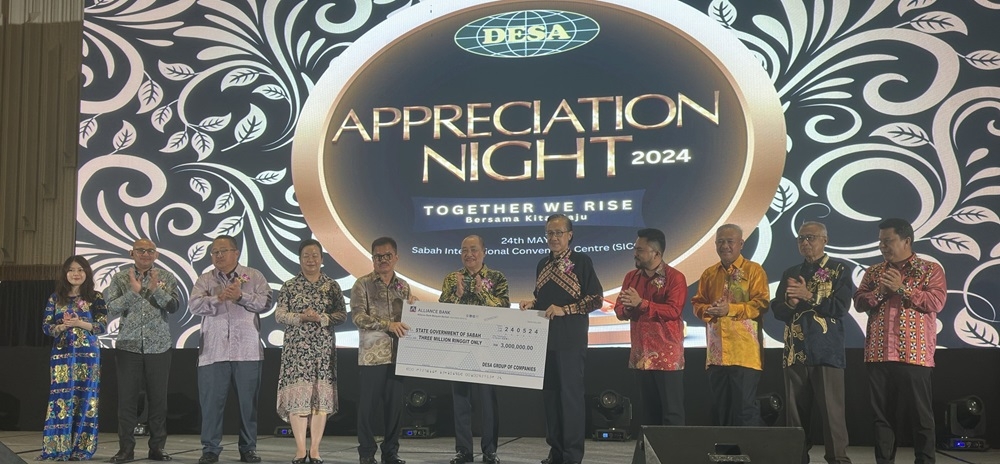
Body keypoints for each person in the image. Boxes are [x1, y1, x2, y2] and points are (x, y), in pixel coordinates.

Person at [854, 218, 946, 464]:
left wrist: (902, 288)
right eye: (880, 241)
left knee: (921, 417)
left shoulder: (929, 269)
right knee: (882, 418)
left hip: (914, 355)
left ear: (906, 240)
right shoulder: (874, 272)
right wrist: (881, 292)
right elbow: (859, 302)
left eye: (888, 240)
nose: (883, 246)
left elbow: (936, 302)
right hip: (878, 354)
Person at [519, 214, 603, 464]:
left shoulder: (581, 261)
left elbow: (595, 299)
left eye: (558, 233)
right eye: (549, 233)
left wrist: (564, 310)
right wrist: (531, 303)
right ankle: (555, 452)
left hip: (570, 339)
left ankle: (572, 455)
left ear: (570, 235)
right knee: (551, 397)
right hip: (545, 340)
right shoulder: (542, 263)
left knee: (570, 398)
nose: (553, 238)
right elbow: (543, 299)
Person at [770, 222, 853, 464]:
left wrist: (809, 296)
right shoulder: (791, 272)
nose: (805, 242)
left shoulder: (839, 269)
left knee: (832, 413)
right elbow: (777, 309)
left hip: (827, 351)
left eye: (811, 237)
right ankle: (796, 457)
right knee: (795, 414)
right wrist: (791, 305)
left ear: (824, 240)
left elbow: (840, 307)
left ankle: (837, 458)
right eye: (801, 238)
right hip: (795, 350)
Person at [190, 235, 272, 464]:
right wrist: (217, 298)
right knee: (211, 405)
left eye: (223, 251)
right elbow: (193, 305)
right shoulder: (205, 279)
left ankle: (248, 449)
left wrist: (240, 296)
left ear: (236, 253)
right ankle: (210, 449)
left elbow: (266, 303)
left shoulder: (254, 276)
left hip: (247, 351)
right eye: (214, 252)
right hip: (213, 352)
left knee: (248, 405)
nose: (218, 255)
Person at [104, 239, 180, 463]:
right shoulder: (120, 278)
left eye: (150, 251)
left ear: (156, 255)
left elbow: (174, 307)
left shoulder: (166, 277)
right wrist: (133, 293)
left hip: (159, 346)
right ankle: (126, 449)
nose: (145, 254)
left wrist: (157, 290)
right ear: (132, 253)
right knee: (127, 400)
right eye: (140, 250)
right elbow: (111, 308)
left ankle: (157, 447)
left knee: (158, 401)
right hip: (128, 346)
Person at [439, 235, 510, 464]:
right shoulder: (452, 278)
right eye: (464, 250)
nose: (469, 254)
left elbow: (504, 306)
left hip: (488, 348)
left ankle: (490, 451)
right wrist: (457, 296)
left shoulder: (497, 277)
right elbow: (442, 310)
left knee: (488, 402)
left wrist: (482, 293)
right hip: (459, 348)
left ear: (484, 252)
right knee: (460, 400)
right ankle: (463, 451)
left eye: (473, 249)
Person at [276, 239, 348, 464]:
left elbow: (341, 315)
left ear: (322, 259)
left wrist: (321, 318)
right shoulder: (289, 285)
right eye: (306, 255)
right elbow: (279, 315)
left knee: (319, 401)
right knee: (299, 400)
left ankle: (315, 450)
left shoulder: (332, 286)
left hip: (323, 351)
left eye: (315, 255)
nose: (311, 259)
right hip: (296, 351)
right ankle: (300, 450)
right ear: (300, 259)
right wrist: (301, 317)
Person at [691, 224, 769, 426]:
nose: (724, 246)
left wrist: (730, 309)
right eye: (720, 242)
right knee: (721, 410)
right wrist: (709, 310)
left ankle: (750, 454)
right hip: (716, 355)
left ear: (741, 244)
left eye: (729, 241)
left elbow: (761, 304)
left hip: (744, 353)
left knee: (745, 410)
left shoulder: (754, 271)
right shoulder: (709, 274)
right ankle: (724, 455)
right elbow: (697, 303)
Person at [613, 228, 687, 427]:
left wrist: (642, 304)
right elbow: (619, 310)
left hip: (667, 355)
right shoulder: (631, 277)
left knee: (672, 412)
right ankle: (650, 456)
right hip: (641, 355)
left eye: (640, 249)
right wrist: (627, 309)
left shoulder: (675, 277)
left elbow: (674, 311)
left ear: (656, 253)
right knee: (648, 413)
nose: (635, 253)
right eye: (635, 248)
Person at [39, 256, 108, 461]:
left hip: (88, 356)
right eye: (71, 270)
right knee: (61, 400)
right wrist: (60, 327)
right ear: (65, 273)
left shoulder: (95, 297)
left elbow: (102, 326)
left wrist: (79, 322)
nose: (75, 273)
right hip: (62, 355)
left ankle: (82, 449)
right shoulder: (55, 298)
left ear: (87, 273)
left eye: (80, 269)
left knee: (87, 400)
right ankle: (57, 448)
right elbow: (46, 326)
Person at [352, 237, 412, 464]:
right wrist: (388, 325)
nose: (383, 260)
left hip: (398, 356)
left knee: (394, 409)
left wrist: (414, 310)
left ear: (396, 257)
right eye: (378, 256)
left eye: (388, 255)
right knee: (368, 409)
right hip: (372, 356)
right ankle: (366, 453)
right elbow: (358, 317)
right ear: (372, 258)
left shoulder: (403, 286)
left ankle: (390, 452)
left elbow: (407, 319)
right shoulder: (362, 284)